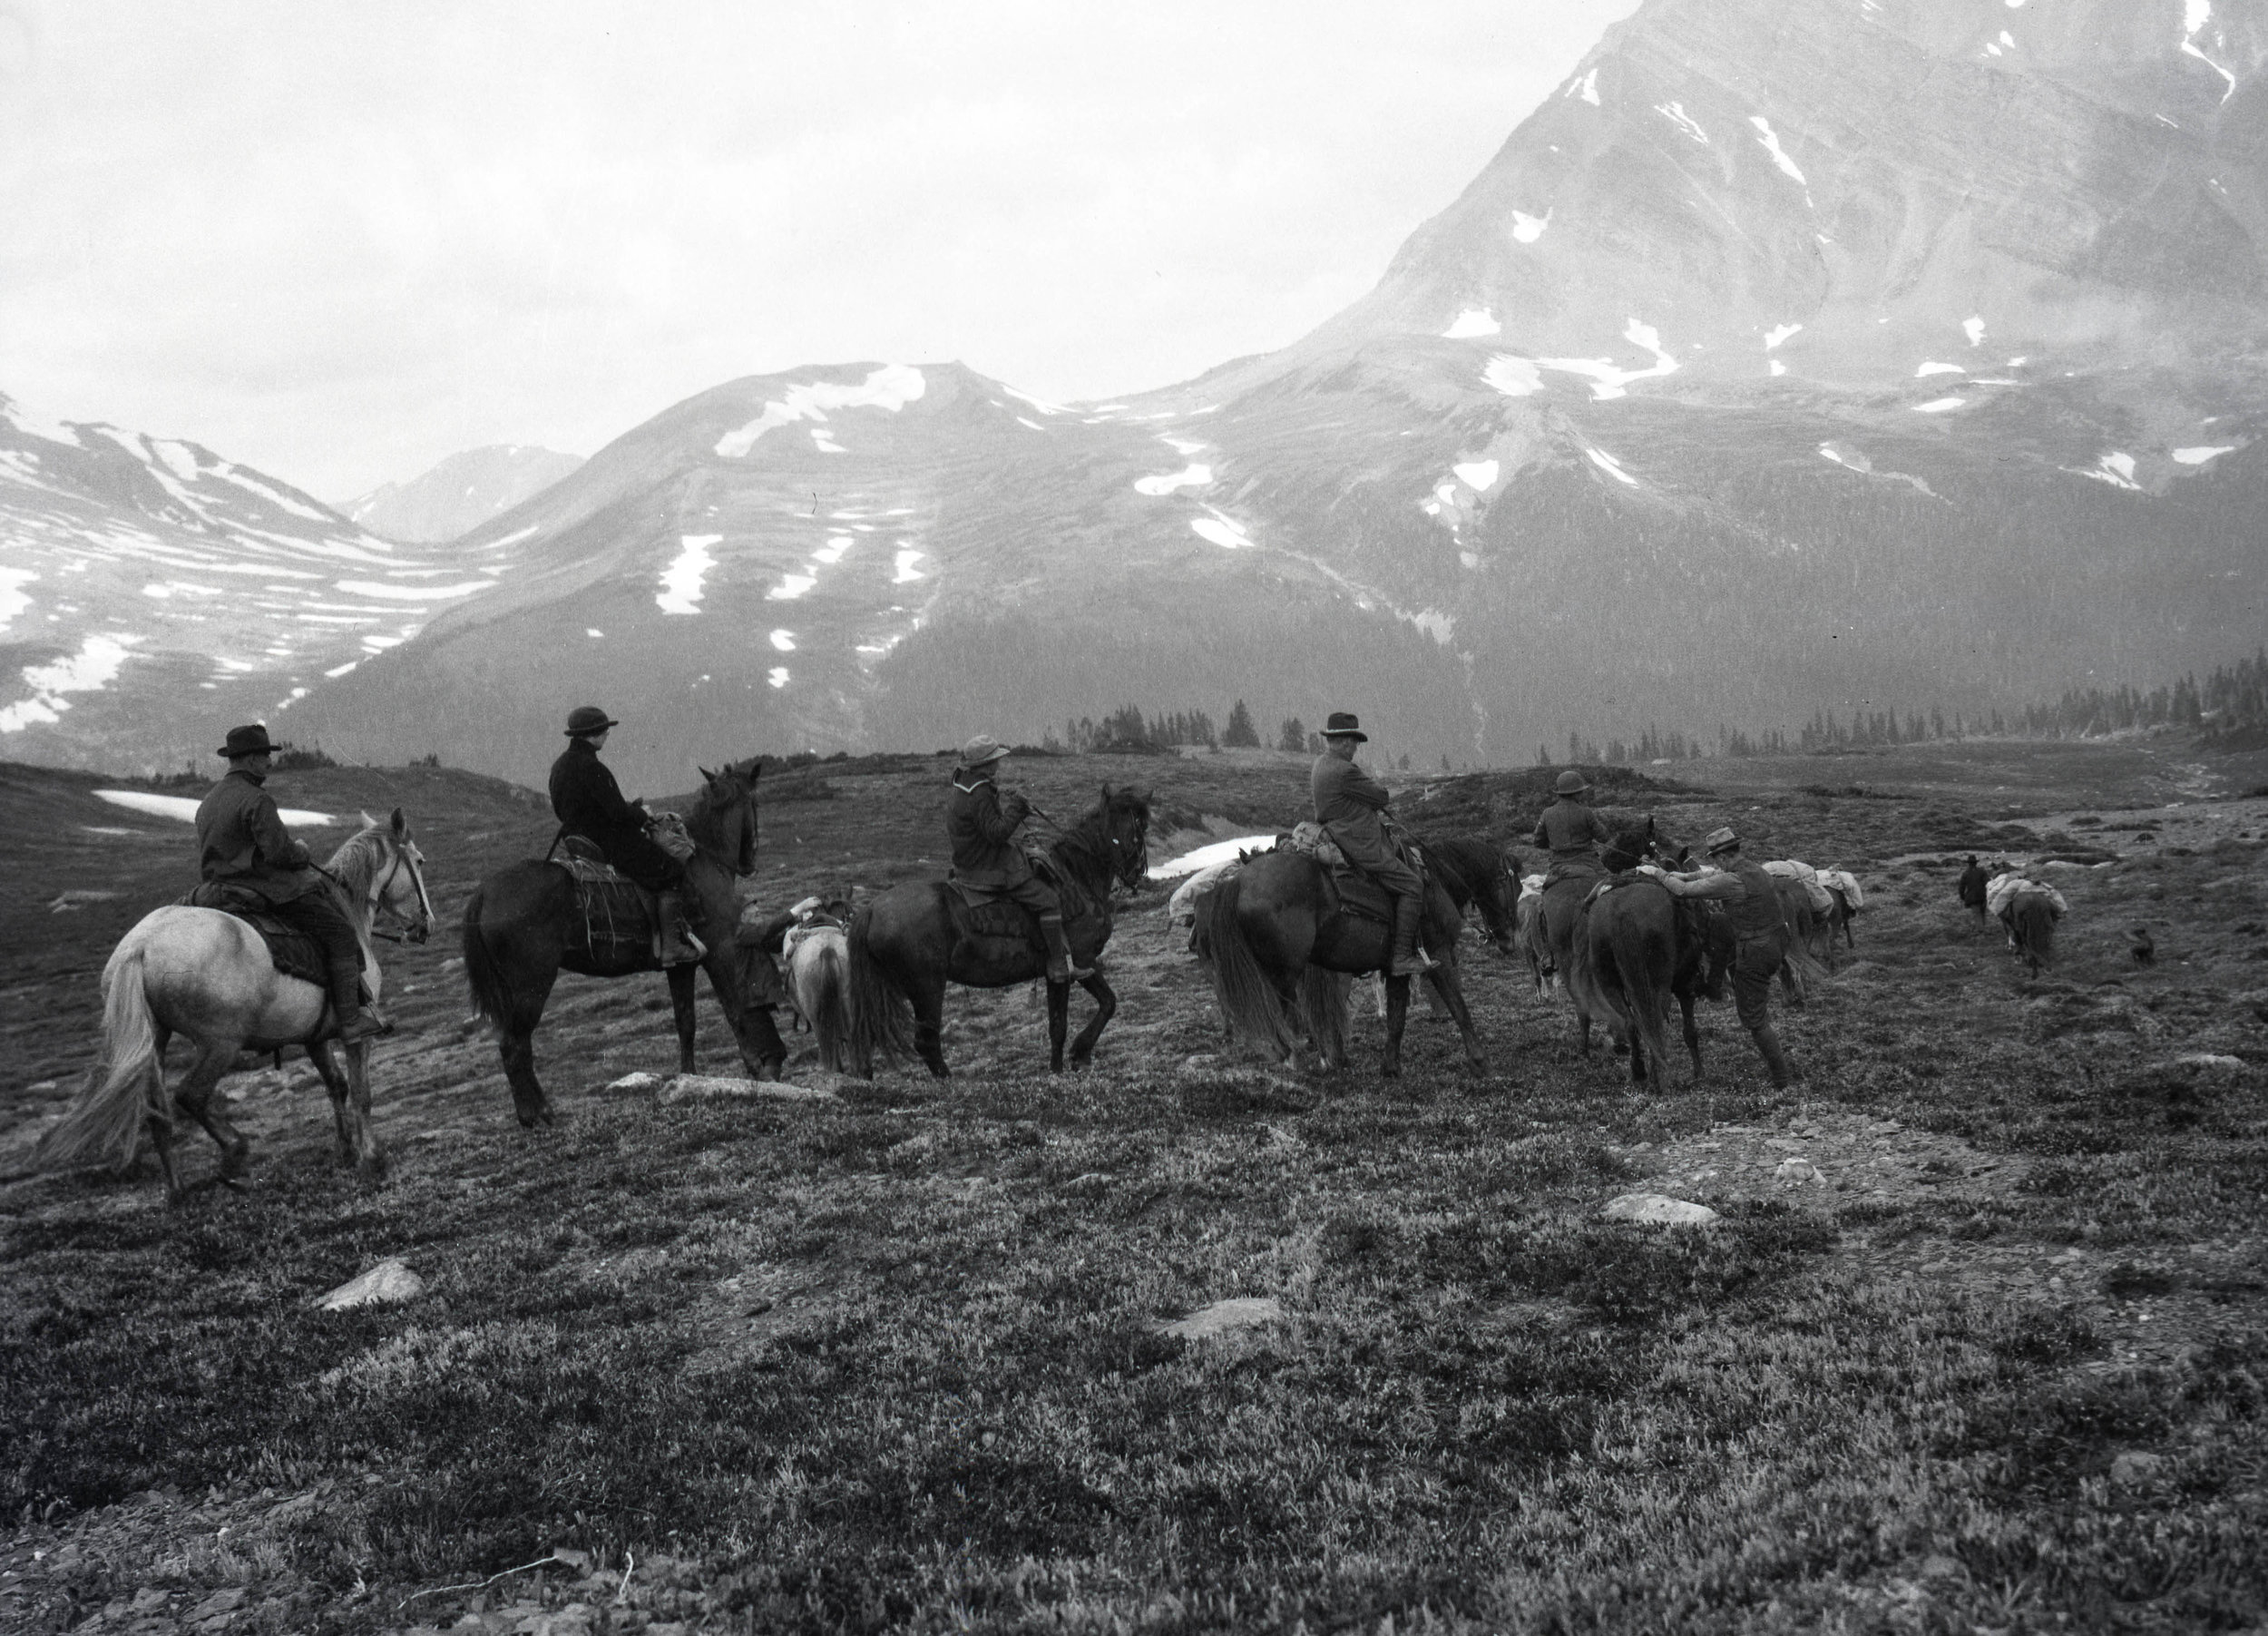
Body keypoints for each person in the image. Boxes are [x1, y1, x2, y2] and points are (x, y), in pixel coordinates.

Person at [196, 724, 388, 1043]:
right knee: (340, 933)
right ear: (249, 759)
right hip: (260, 889)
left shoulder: (208, 802)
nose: (269, 764)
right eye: (264, 756)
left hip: (212, 891)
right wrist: (301, 851)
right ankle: (351, 1022)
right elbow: (279, 852)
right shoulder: (256, 800)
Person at [548, 705, 704, 965]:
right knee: (671, 872)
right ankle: (672, 947)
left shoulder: (559, 766)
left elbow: (564, 809)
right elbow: (617, 813)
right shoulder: (593, 767)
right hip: (608, 840)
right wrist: (642, 814)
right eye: (604, 730)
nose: (607, 735)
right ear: (594, 734)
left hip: (576, 840)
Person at [1646, 826, 1799, 1089]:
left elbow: (1683, 892)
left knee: (1754, 1017)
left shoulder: (1732, 880)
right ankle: (1715, 982)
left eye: (1716, 859)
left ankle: (1783, 1079)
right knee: (1718, 924)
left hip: (1755, 950)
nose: (1715, 864)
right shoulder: (1754, 869)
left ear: (1723, 857)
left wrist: (1655, 872)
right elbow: (1708, 875)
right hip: (1775, 943)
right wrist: (1676, 874)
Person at [947, 735, 1092, 982]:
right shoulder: (980, 793)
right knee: (1048, 899)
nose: (998, 765)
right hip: (986, 868)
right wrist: (1016, 808)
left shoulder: (964, 785)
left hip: (969, 861)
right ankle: (1058, 965)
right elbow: (996, 833)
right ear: (985, 765)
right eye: (995, 760)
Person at [1312, 712, 1437, 977]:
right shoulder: (1345, 771)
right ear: (1345, 742)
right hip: (1359, 843)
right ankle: (1401, 956)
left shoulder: (1320, 764)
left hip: (1336, 833)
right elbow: (1381, 796)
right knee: (1412, 885)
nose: (1356, 748)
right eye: (1355, 742)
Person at [1534, 769, 1609, 884]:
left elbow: (1538, 842)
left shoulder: (1547, 813)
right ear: (1576, 793)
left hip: (1558, 865)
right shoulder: (1586, 812)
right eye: (1581, 791)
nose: (1583, 794)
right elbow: (1603, 838)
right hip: (1588, 862)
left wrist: (1555, 842)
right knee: (1610, 884)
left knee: (1545, 892)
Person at [1957, 854, 1988, 927]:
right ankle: (1983, 927)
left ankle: (1981, 930)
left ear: (1968, 863)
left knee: (1977, 914)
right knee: (1982, 912)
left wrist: (1962, 896)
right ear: (1976, 863)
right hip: (1983, 896)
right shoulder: (1982, 871)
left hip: (1972, 897)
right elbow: (1988, 883)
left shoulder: (1965, 873)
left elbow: (1961, 887)